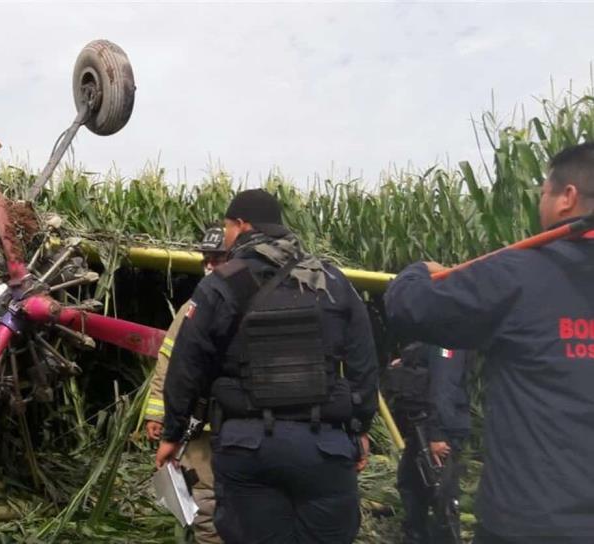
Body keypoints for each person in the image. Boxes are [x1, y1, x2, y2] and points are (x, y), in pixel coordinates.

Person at [384, 142, 594, 543]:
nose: (540, 204)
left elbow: (407, 307)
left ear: (567, 198)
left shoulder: (520, 274)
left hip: (531, 522)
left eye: (544, 193)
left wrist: (417, 272)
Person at [156, 189, 379, 544]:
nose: (226, 235)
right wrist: (361, 427)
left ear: (242, 225)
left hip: (248, 447)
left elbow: (188, 363)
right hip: (326, 447)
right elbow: (364, 363)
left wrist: (173, 432)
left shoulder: (221, 283)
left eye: (227, 227)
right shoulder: (333, 281)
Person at [144, 226, 227, 543]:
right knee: (205, 500)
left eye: (218, 258)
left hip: (239, 426)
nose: (210, 266)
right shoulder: (193, 309)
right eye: (207, 259)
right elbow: (169, 360)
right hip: (202, 427)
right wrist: (158, 413)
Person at [384, 342, 472, 544]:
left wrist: (437, 434)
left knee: (442, 496)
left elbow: (444, 386)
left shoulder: (449, 340)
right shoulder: (435, 335)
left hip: (438, 430)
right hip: (423, 426)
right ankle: (417, 537)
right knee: (411, 483)